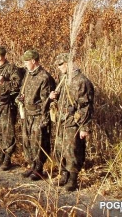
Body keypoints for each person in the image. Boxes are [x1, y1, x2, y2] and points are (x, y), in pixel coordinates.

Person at [49, 53, 94, 191]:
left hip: (74, 122)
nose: (59, 67)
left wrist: (84, 127)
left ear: (69, 63)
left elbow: (86, 106)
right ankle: (64, 175)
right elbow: (62, 99)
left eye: (61, 64)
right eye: (58, 65)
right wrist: (53, 97)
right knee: (60, 149)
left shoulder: (82, 81)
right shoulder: (63, 79)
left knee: (73, 150)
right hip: (61, 121)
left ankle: (73, 179)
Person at [16, 49, 55, 181]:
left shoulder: (44, 77)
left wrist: (41, 115)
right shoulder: (28, 74)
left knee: (38, 142)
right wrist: (21, 98)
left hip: (38, 115)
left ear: (34, 61)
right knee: (27, 141)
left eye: (27, 61)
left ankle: (39, 169)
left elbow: (46, 101)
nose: (25, 64)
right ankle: (32, 165)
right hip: (27, 114)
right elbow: (24, 91)